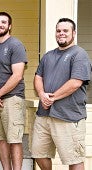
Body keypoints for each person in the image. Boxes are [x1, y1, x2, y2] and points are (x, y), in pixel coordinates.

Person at [32, 18, 91, 170]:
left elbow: (76, 82)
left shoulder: (79, 54)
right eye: (59, 31)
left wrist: (52, 97)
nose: (61, 34)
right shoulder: (48, 56)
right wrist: (41, 93)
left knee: (74, 158)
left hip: (68, 116)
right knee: (39, 153)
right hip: (44, 114)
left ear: (74, 33)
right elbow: (38, 77)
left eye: (65, 31)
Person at [0, 12, 27, 170]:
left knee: (14, 139)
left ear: (10, 26)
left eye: (3, 22)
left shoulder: (16, 45)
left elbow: (17, 75)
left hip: (12, 99)